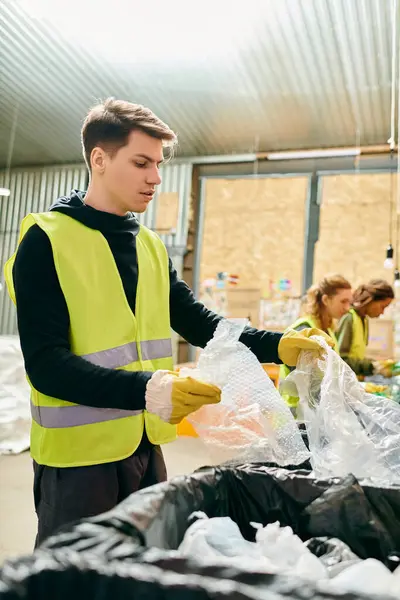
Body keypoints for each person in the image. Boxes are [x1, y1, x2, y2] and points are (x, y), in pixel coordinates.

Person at [3, 98, 332, 546]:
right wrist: (147, 389)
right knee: (76, 578)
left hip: (144, 446)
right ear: (99, 159)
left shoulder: (151, 247)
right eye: (141, 163)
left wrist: (278, 345)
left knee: (144, 566)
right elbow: (46, 364)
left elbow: (198, 322)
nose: (155, 177)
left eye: (158, 164)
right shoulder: (46, 240)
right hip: (77, 461)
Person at [280, 274, 353, 414]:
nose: (347, 307)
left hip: (317, 413)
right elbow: (307, 379)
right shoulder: (304, 330)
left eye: (349, 302)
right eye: (343, 301)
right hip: (298, 416)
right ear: (326, 300)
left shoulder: (328, 331)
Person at [336, 279, 395, 377]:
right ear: (370, 300)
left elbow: (356, 356)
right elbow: (340, 359)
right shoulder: (349, 318)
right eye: (382, 306)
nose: (382, 312)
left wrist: (377, 363)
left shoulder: (364, 320)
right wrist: (372, 366)